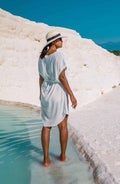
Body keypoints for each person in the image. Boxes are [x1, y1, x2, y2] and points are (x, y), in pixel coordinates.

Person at [38, 30, 77, 167]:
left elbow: (41, 77)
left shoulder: (42, 57)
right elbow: (61, 77)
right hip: (58, 92)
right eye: (60, 39)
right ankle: (62, 156)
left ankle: (46, 160)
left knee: (46, 125)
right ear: (54, 42)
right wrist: (72, 95)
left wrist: (40, 93)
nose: (62, 41)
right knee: (63, 125)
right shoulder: (58, 55)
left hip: (46, 92)